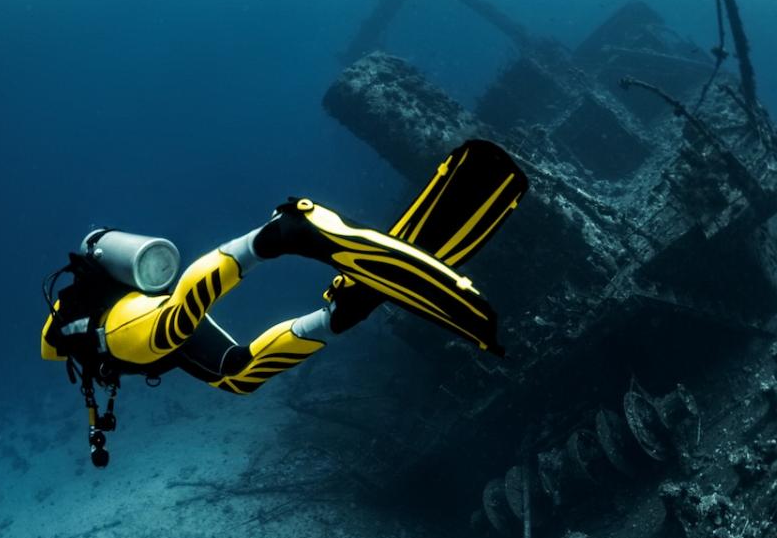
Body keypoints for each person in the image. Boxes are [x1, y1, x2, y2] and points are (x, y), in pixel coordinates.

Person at [40, 140, 527, 466]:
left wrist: (72, 342)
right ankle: (336, 316)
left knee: (164, 331)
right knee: (237, 375)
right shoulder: (83, 296)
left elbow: (51, 345)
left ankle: (275, 235)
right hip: (148, 311)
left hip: (124, 327)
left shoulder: (66, 316)